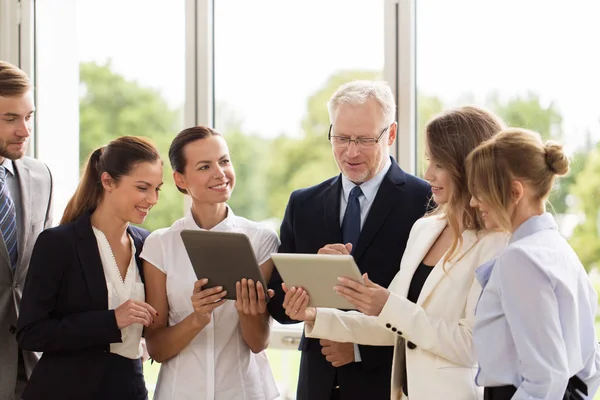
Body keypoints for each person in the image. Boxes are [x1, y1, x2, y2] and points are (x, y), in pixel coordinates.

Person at [282, 106, 509, 399]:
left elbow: (473, 346)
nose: (427, 174)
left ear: (471, 167)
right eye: (429, 161)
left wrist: (388, 304)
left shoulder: (498, 243)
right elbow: (389, 324)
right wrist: (314, 314)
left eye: (439, 164)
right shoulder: (425, 229)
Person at [266, 80, 431, 400]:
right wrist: (303, 284)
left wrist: (358, 349)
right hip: (316, 383)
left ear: (391, 134)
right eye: (341, 138)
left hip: (385, 384)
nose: (351, 151)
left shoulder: (424, 202)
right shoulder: (304, 204)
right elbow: (280, 307)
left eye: (365, 139)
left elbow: (427, 313)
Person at [16, 136, 162, 399]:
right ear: (107, 181)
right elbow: (31, 333)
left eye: (157, 189)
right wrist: (112, 320)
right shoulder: (58, 243)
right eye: (143, 187)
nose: (152, 199)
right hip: (64, 391)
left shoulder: (147, 244)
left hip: (128, 388)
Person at [142, 126, 279, 400]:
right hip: (179, 392)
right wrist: (197, 318)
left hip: (244, 391)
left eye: (224, 161)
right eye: (205, 166)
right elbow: (156, 347)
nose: (220, 173)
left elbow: (258, 342)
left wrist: (249, 311)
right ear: (180, 179)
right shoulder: (160, 245)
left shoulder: (261, 240)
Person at [466, 128, 600, 400]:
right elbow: (592, 364)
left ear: (515, 192)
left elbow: (546, 376)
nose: (473, 202)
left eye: (481, 192)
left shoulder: (521, 258)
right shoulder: (559, 249)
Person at [0, 60, 53, 400]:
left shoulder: (41, 176)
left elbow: (40, 273)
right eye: (10, 119)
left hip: (32, 368)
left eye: (29, 116)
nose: (25, 130)